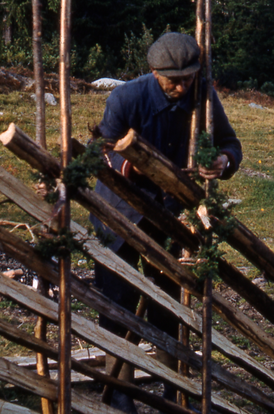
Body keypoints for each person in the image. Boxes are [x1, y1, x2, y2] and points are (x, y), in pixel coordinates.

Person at [90, 31, 242, 413]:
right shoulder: (126, 98)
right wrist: (130, 166)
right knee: (117, 301)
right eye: (173, 79)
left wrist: (222, 161)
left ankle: (171, 385)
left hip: (171, 215)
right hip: (120, 213)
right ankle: (118, 389)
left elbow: (230, 143)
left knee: (167, 304)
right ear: (155, 72)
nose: (181, 85)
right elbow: (101, 151)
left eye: (187, 77)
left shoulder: (203, 97)